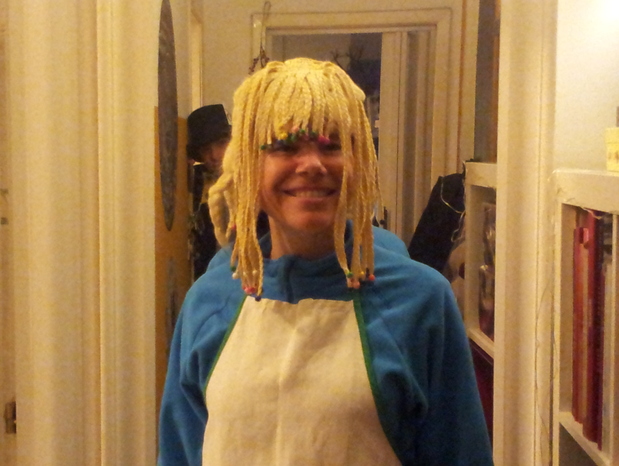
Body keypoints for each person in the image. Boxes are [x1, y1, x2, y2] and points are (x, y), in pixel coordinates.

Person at [158, 57, 493, 465]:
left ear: (358, 161)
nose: (313, 165)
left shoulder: (421, 301)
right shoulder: (208, 301)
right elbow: (179, 453)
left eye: (333, 145)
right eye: (285, 146)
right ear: (248, 165)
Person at [186, 104, 232, 279]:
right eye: (206, 150)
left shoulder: (253, 180)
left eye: (221, 144)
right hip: (208, 276)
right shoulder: (196, 182)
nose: (214, 155)